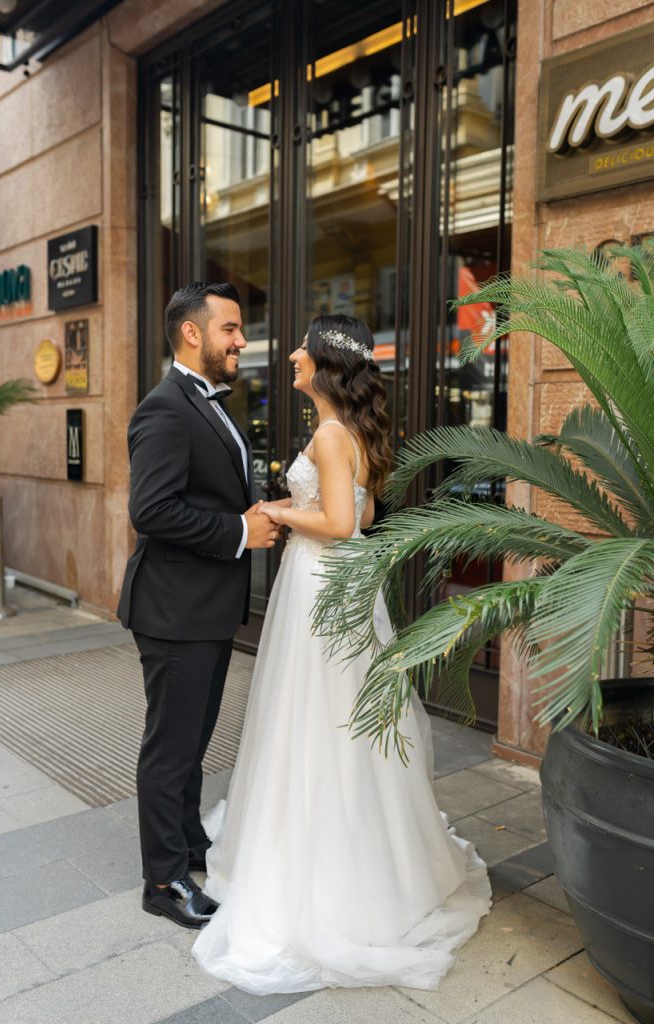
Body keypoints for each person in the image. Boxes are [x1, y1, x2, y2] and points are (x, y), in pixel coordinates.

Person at [191, 314, 492, 993]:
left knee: (315, 714)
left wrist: (275, 512)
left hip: (321, 583)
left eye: (302, 346)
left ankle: (316, 858)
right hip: (348, 583)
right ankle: (371, 854)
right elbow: (361, 517)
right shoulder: (354, 433)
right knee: (340, 715)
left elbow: (334, 522)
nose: (291, 353)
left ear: (324, 365)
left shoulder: (330, 434)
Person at [117, 282, 278, 929]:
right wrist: (240, 532)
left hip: (204, 609)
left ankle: (186, 845)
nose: (242, 341)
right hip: (174, 612)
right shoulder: (164, 409)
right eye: (231, 329)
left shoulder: (205, 403)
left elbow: (209, 492)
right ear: (192, 332)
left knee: (192, 741)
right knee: (171, 748)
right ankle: (163, 880)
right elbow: (150, 510)